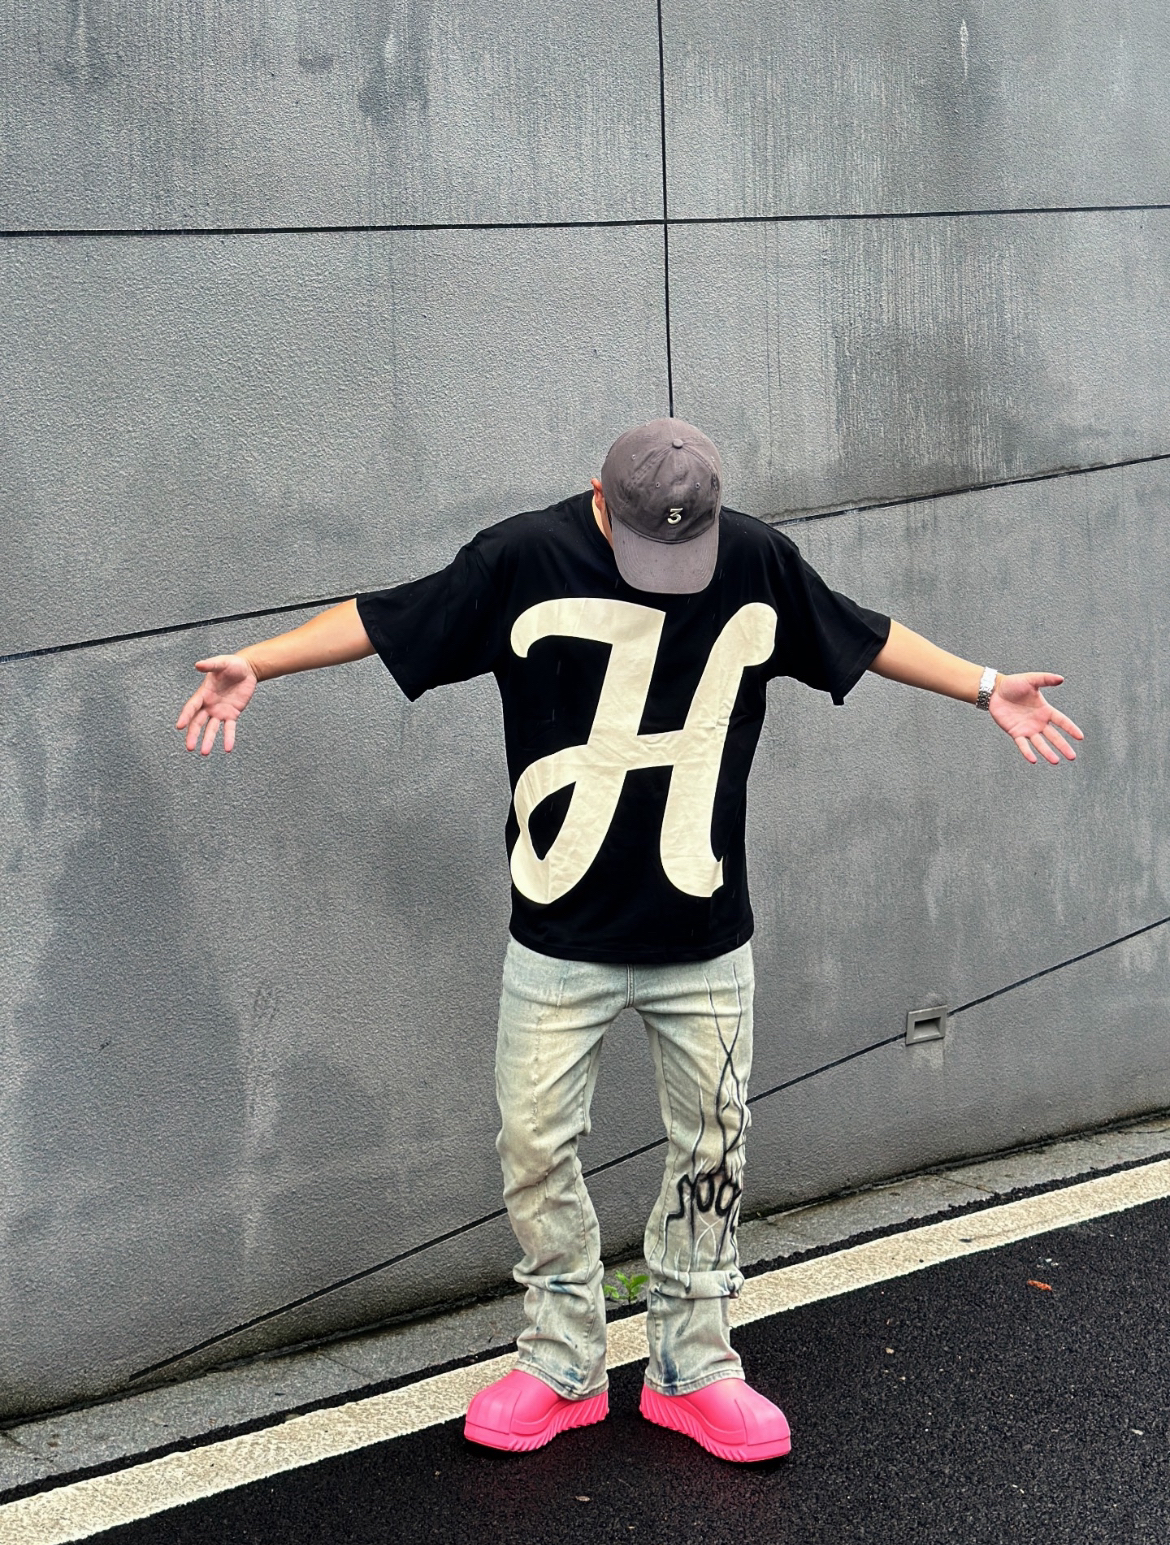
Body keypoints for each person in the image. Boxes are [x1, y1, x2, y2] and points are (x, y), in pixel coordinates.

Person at [176, 418, 1082, 1463]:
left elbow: (860, 633)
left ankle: (692, 1364)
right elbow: (395, 617)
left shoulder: (753, 556)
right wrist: (259, 662)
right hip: (558, 939)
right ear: (599, 500)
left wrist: (986, 685)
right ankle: (561, 1358)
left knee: (714, 1146)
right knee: (533, 1146)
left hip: (705, 941)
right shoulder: (524, 556)